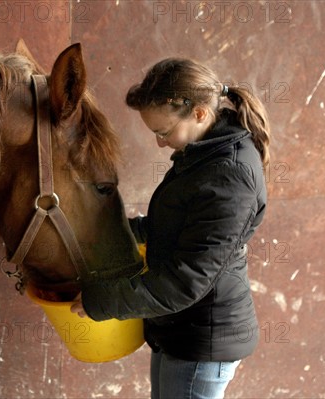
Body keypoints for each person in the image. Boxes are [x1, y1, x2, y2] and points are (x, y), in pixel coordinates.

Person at [71, 58, 270, 399]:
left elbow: (185, 281)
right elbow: (176, 226)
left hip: (201, 340)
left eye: (163, 132)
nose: (161, 144)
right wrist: (114, 234)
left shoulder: (231, 176)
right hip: (178, 330)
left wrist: (99, 302)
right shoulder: (203, 154)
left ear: (198, 114)